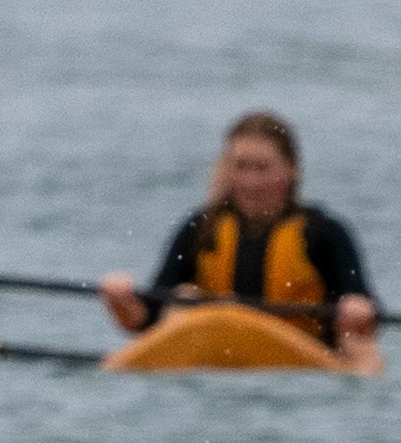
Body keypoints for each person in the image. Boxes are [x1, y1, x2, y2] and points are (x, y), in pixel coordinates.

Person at [99, 112, 381, 364]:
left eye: (261, 168)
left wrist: (358, 312)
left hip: (301, 360)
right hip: (216, 360)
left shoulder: (325, 234)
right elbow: (146, 320)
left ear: (290, 170)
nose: (251, 182)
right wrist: (120, 300)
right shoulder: (200, 229)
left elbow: (366, 312)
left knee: (359, 343)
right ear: (226, 169)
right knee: (182, 297)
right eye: (241, 167)